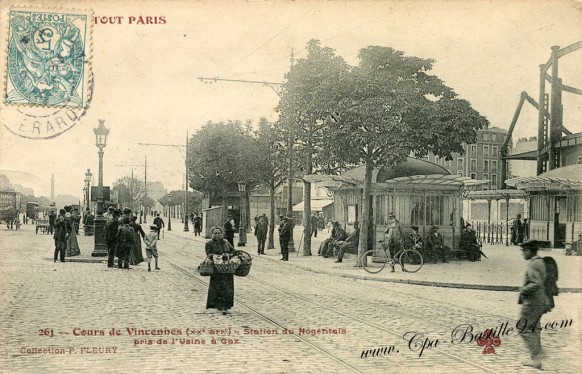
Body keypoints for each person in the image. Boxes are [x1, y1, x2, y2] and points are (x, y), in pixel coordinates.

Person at [517, 239, 551, 369]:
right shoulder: (540, 261)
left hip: (532, 302)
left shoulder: (533, 264)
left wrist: (522, 290)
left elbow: (535, 283)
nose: (522, 254)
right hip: (540, 301)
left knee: (523, 327)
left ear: (529, 251)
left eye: (523, 251)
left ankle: (537, 354)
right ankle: (535, 360)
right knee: (534, 329)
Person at [205, 227, 235, 315]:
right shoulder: (209, 244)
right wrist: (217, 257)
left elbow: (233, 251)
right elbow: (209, 254)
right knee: (217, 287)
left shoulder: (226, 243)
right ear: (212, 234)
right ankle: (218, 305)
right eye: (215, 233)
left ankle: (225, 306)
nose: (217, 235)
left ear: (221, 234)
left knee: (227, 288)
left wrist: (228, 255)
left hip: (227, 269)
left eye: (219, 233)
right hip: (216, 269)